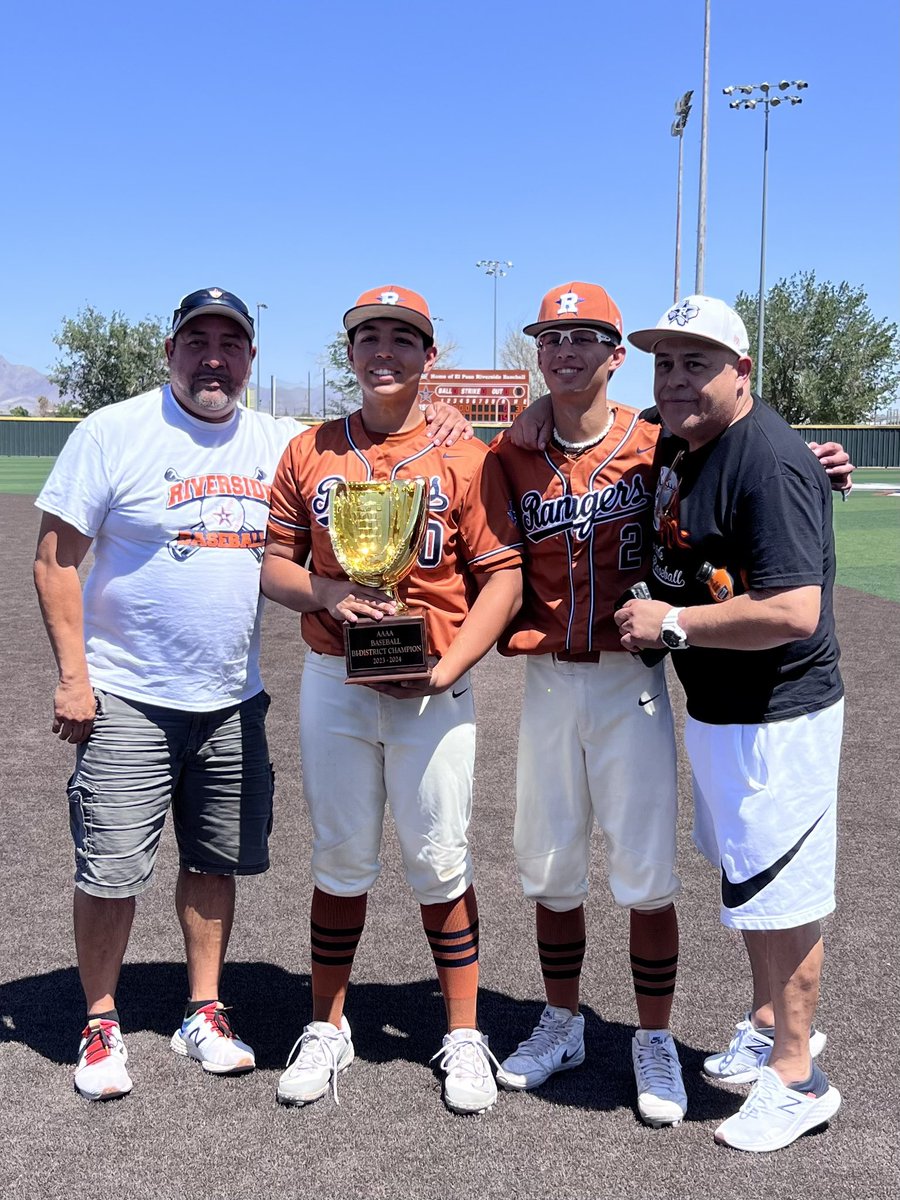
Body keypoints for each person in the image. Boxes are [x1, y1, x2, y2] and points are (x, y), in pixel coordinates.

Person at [33, 286, 468, 1103]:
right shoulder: (114, 431)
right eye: (196, 341)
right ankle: (99, 1019)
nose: (212, 358)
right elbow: (55, 560)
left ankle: (204, 1008)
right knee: (112, 868)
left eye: (229, 344)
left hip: (232, 696)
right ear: (170, 353)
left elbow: (374, 439)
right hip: (128, 690)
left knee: (213, 861)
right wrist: (72, 675)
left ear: (249, 359)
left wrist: (439, 410)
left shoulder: (278, 440)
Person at [261, 285, 523, 1116]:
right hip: (336, 680)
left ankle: (463, 1034)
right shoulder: (310, 449)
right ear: (350, 353)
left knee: (441, 860)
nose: (384, 351)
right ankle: (328, 1026)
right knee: (340, 858)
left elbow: (503, 578)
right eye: (368, 336)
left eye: (402, 338)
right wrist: (327, 594)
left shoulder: (469, 457)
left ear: (428, 357)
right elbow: (273, 565)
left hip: (432, 688)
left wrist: (448, 674)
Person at [615, 294, 844, 1153]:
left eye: (696, 364)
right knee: (751, 883)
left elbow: (793, 609)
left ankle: (798, 1075)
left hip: (775, 716)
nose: (675, 380)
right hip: (722, 709)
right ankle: (764, 1027)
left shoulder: (768, 461)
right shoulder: (680, 433)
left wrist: (672, 624)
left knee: (783, 898)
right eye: (664, 363)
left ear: (740, 372)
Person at [490, 282, 687, 1127]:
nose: (565, 350)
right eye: (551, 338)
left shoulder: (659, 441)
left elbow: (744, 446)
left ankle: (654, 1038)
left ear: (616, 354)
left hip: (629, 680)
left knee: (645, 873)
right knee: (550, 867)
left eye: (584, 337)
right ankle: (564, 1022)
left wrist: (813, 454)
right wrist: (521, 418)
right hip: (546, 683)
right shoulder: (514, 452)